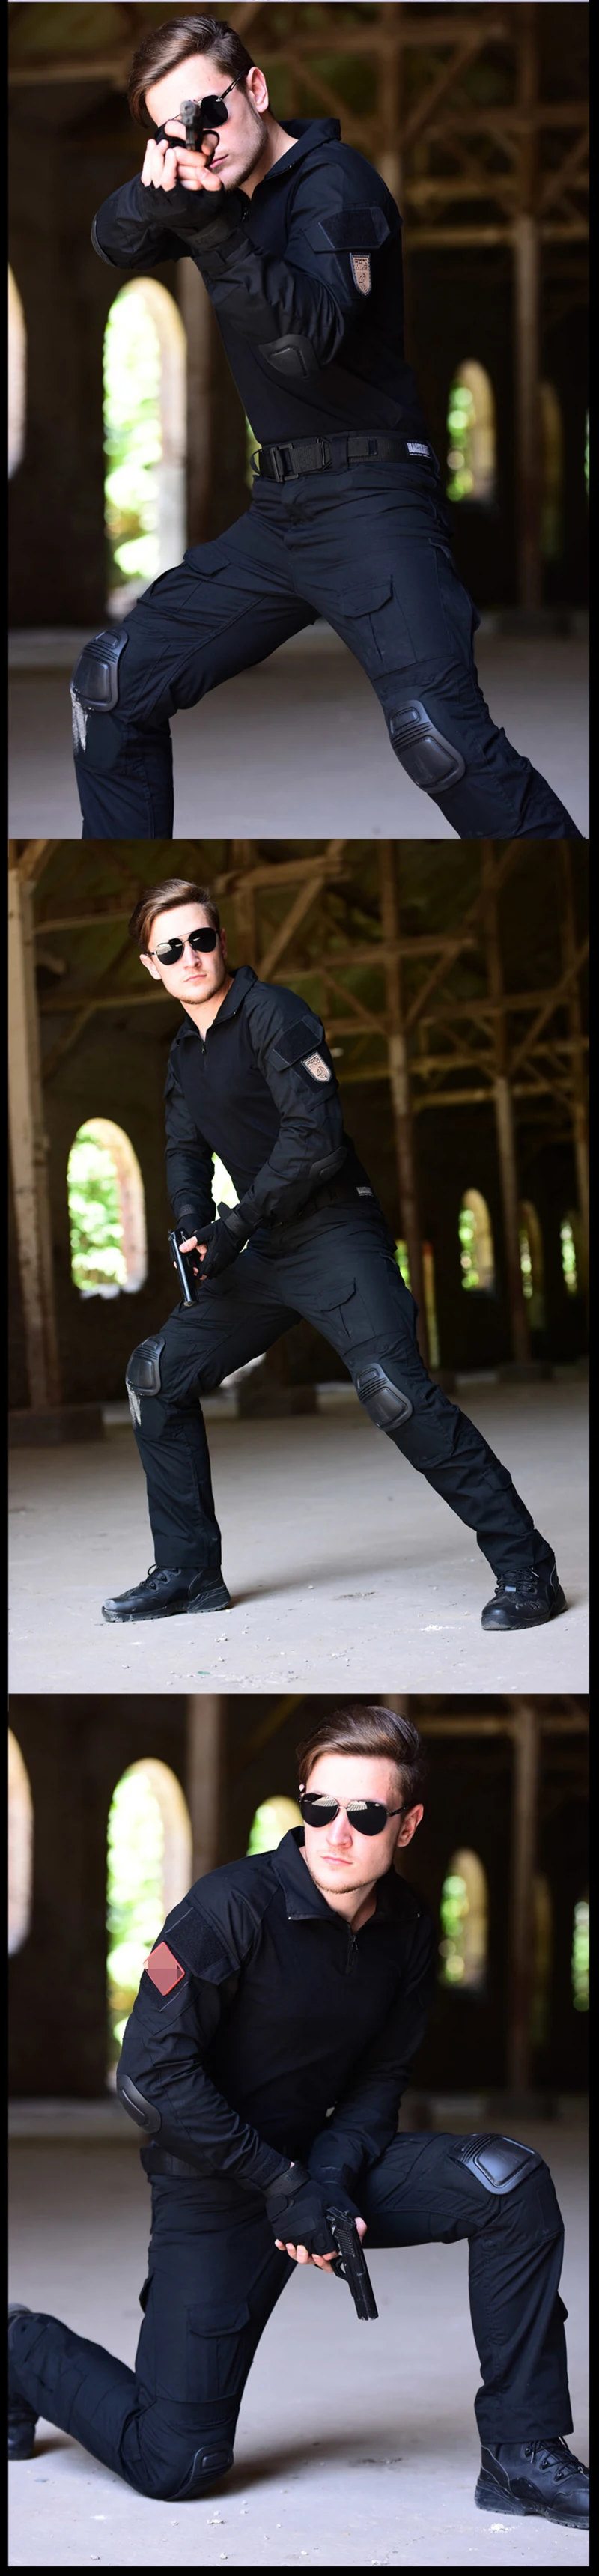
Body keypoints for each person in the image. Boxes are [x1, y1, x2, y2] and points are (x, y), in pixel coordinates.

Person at [8, 1704, 588, 2528]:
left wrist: (328, 2178)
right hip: (216, 2180)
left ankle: (522, 2453)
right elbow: (150, 2075)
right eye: (320, 1806)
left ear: (408, 1824)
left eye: (367, 1814)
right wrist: (281, 2184)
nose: (336, 1833)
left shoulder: (408, 1927)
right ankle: (20, 2346)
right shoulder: (226, 1907)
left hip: (321, 2166)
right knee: (176, 2462)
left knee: (508, 2182)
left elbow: (379, 2079)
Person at [70, 12, 582, 842]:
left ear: (255, 87)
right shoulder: (215, 191)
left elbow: (303, 345)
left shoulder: (336, 184)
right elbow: (112, 241)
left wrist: (205, 225)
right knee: (110, 688)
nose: (200, 141)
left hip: (374, 499)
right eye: (174, 131)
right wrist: (156, 192)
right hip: (281, 513)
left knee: (440, 740)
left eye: (207, 112)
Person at [100, 874, 566, 1636]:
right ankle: (187, 1572)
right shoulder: (183, 1052)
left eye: (201, 939)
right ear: (152, 966)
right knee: (155, 1376)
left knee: (396, 1394)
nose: (191, 957)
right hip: (262, 1245)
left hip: (333, 1229)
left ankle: (526, 1567)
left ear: (222, 941)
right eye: (171, 949)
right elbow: (183, 1150)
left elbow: (313, 1142)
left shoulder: (274, 1014)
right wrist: (193, 1227)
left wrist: (233, 1225)